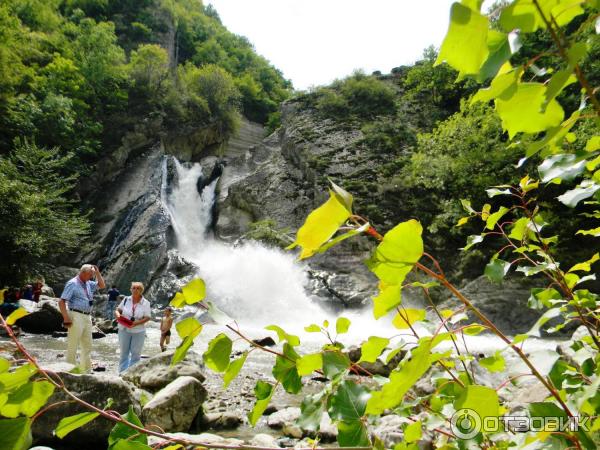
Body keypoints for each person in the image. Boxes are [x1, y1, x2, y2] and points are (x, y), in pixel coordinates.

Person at [58, 264, 105, 373]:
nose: (91, 277)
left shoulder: (88, 283)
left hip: (87, 316)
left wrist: (97, 273)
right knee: (73, 344)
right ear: (83, 272)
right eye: (90, 274)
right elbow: (61, 301)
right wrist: (66, 318)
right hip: (76, 315)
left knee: (87, 344)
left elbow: (102, 285)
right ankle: (70, 370)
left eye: (93, 275)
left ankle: (86, 370)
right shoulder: (72, 283)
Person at [115, 282, 151, 374]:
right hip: (124, 329)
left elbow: (147, 317)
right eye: (133, 288)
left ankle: (131, 373)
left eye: (138, 288)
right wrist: (118, 315)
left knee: (136, 354)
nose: (135, 290)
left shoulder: (146, 303)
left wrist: (136, 323)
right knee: (124, 352)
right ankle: (122, 372)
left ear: (141, 290)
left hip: (138, 330)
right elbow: (118, 310)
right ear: (130, 289)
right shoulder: (126, 299)